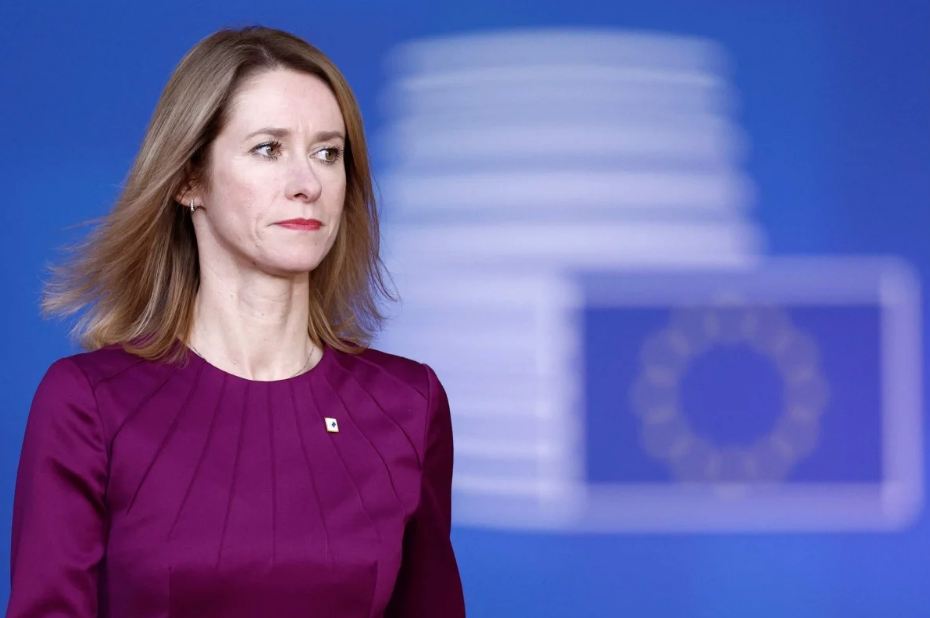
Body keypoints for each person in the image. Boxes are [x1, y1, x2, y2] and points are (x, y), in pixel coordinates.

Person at [6, 25, 466, 618]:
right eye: (268, 149)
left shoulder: (407, 404)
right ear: (188, 179)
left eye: (327, 153)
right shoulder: (90, 404)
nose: (307, 184)